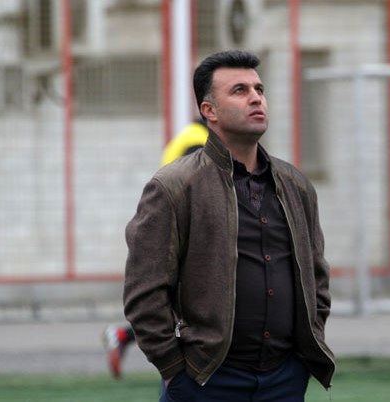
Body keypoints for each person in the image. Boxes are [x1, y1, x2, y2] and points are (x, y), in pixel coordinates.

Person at [124, 50, 334, 401]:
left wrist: (302, 356)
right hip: (206, 381)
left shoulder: (295, 185)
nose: (255, 98)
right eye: (239, 90)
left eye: (259, 89)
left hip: (283, 379)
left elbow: (317, 277)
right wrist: (174, 370)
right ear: (209, 111)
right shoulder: (174, 187)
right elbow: (144, 292)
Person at [103, 120, 209, 379]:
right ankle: (132, 340)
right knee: (182, 307)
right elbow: (198, 188)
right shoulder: (198, 143)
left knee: (172, 306)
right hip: (184, 234)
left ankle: (123, 336)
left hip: (174, 230)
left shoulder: (187, 136)